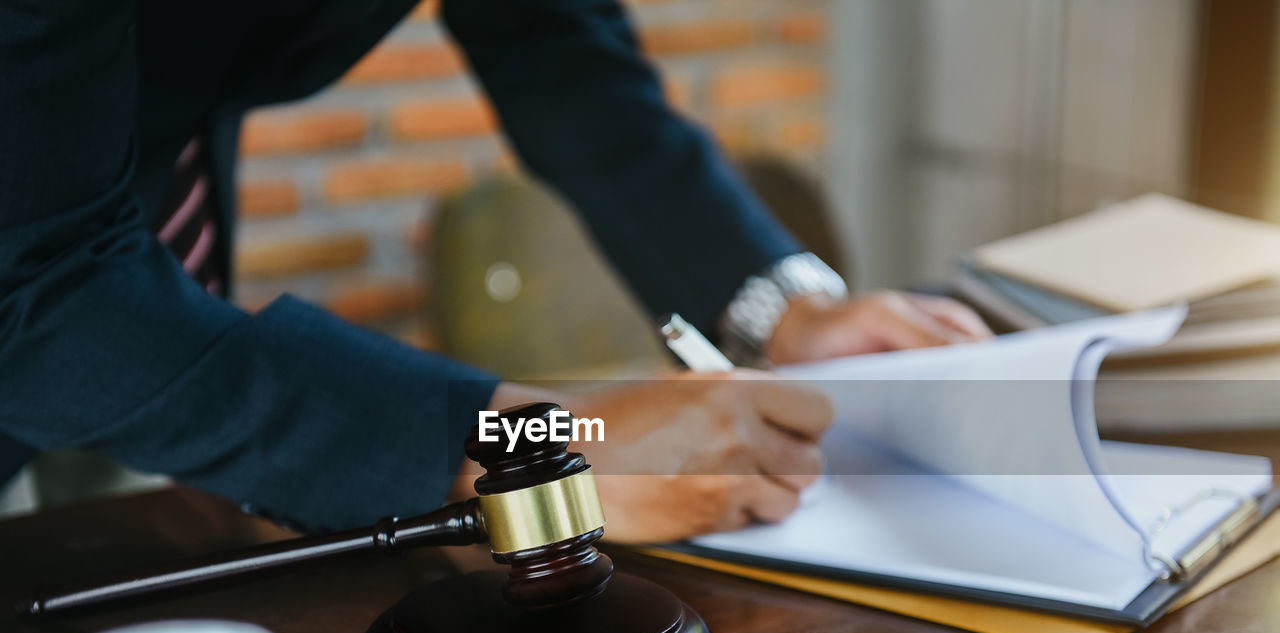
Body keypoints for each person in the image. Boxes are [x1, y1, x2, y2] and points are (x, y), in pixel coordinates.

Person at [0, 0, 989, 539]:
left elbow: (558, 50)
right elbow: (37, 296)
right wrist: (530, 447)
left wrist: (778, 308)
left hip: (148, 263)